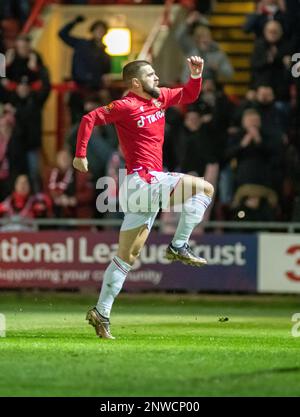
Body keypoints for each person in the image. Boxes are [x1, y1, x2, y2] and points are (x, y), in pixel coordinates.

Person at [73, 56, 214, 339]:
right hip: (141, 181)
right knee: (205, 188)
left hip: (145, 188)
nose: (157, 79)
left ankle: (101, 313)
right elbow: (90, 118)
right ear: (136, 83)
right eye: (151, 75)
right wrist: (80, 155)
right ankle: (179, 244)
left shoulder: (159, 98)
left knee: (126, 258)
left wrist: (196, 74)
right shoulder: (125, 105)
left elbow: (189, 94)